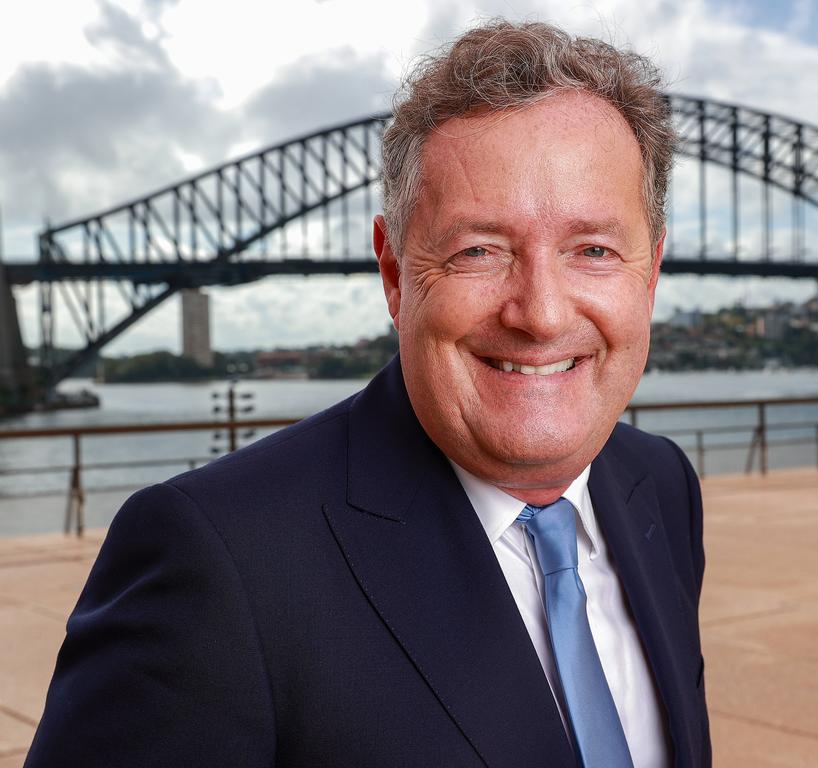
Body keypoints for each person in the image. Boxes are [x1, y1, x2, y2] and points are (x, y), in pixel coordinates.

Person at [25, 20, 710, 768]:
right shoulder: (218, 565)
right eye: (478, 250)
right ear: (393, 272)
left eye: (595, 251)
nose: (541, 313)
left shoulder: (661, 488)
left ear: (652, 271)